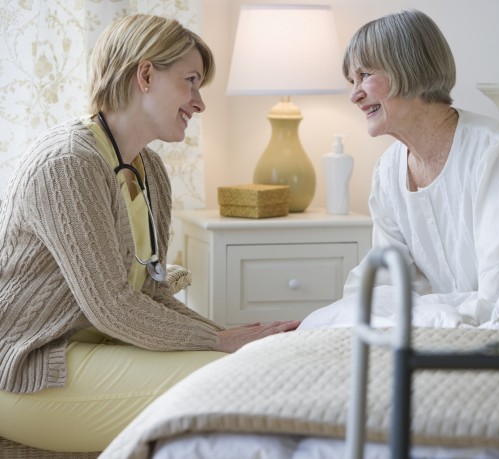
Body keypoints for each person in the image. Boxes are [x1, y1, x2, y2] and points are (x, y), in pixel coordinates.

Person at [0, 14, 299, 453]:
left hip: (90, 350)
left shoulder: (148, 168)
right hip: (27, 367)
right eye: (190, 81)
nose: (199, 103)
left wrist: (240, 340)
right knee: (231, 386)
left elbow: (152, 293)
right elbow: (111, 306)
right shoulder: (67, 164)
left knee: (249, 367)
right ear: (145, 75)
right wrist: (219, 341)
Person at [300, 9, 499, 330]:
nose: (354, 95)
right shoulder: (387, 172)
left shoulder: (490, 147)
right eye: (352, 81)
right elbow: (387, 281)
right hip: (449, 325)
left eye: (365, 75)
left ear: (408, 68)